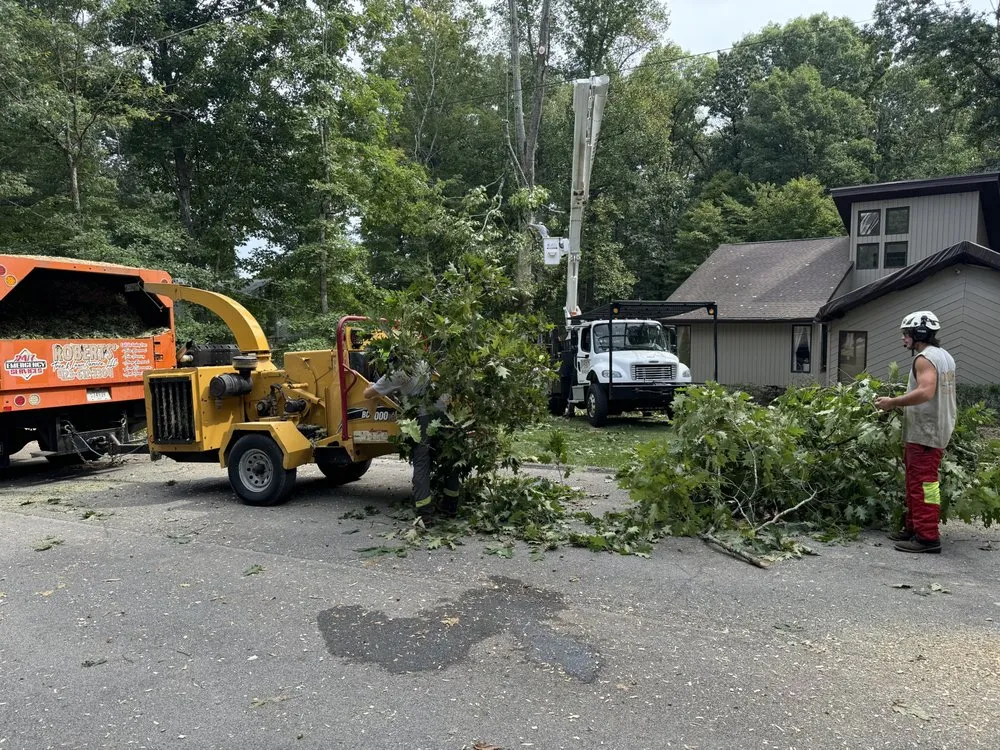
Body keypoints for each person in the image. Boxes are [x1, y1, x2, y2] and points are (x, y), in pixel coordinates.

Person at [875, 310, 957, 554]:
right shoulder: (944, 356)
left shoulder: (924, 358)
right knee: (916, 482)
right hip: (932, 429)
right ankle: (914, 529)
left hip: (926, 432)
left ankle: (928, 538)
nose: (903, 338)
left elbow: (925, 392)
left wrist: (893, 402)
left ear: (919, 333)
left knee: (924, 485)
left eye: (906, 334)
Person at [362, 350, 459, 515]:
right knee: (449, 456)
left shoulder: (396, 373)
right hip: (444, 413)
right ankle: (451, 504)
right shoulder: (423, 363)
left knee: (422, 459)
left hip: (424, 416)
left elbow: (367, 394)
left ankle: (424, 512)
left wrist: (372, 385)